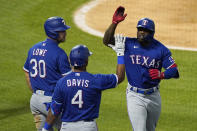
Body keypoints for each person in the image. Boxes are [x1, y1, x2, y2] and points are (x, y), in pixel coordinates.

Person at [103, 6, 179, 131]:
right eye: (139, 29)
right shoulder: (128, 44)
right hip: (134, 95)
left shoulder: (161, 49)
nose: (141, 32)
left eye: (145, 30)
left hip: (154, 96)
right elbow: (106, 41)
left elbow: (174, 70)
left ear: (152, 33)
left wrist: (162, 75)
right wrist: (114, 23)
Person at [41, 44, 125, 131]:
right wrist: (120, 54)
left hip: (67, 127)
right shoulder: (96, 80)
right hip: (88, 127)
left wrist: (45, 129)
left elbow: (55, 110)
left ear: (70, 61)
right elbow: (120, 77)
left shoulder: (61, 83)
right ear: (86, 61)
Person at [23, 16, 72, 131]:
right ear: (53, 33)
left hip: (35, 101)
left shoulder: (33, 48)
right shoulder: (59, 53)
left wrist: (36, 91)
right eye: (62, 31)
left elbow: (26, 71)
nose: (65, 33)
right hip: (51, 104)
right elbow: (68, 83)